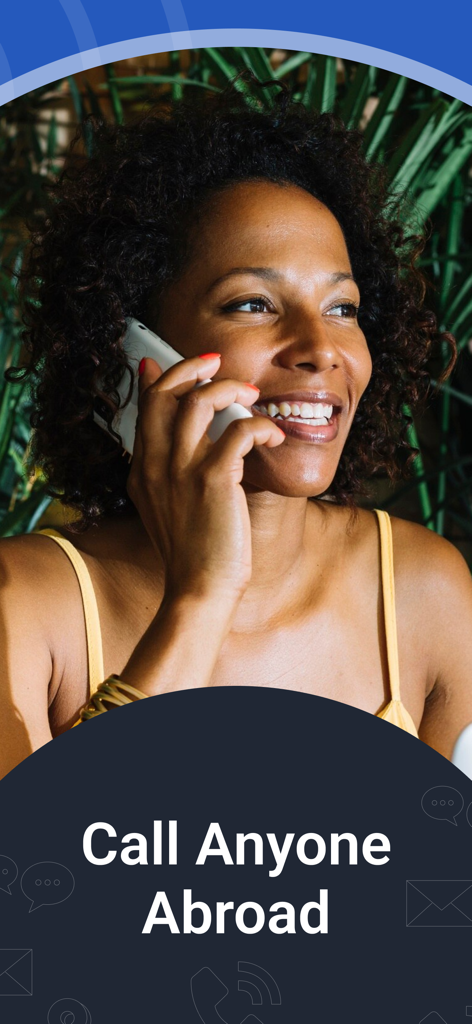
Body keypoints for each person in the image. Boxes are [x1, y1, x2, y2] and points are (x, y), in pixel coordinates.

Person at [1, 83, 471, 779]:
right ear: (131, 352)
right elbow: (47, 876)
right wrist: (202, 598)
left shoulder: (423, 591)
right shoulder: (26, 602)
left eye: (343, 308)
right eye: (254, 303)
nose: (321, 347)